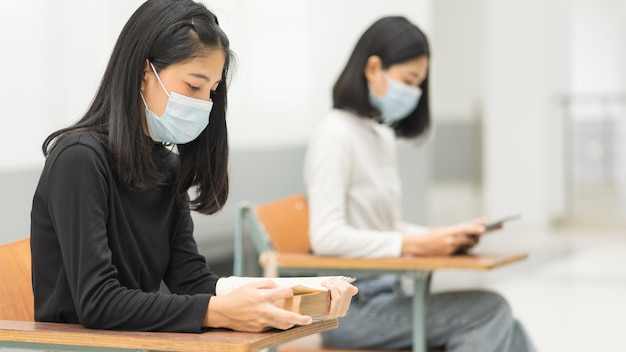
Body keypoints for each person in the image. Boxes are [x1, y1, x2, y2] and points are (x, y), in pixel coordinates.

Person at [30, 0, 356, 333]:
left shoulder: (166, 167)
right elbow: (99, 302)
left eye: (211, 92)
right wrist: (219, 312)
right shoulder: (79, 159)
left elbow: (190, 279)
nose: (203, 105)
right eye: (193, 86)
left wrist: (293, 292)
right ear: (144, 73)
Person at [303, 16, 536, 351]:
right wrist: (414, 244)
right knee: (490, 311)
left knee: (510, 328)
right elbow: (325, 236)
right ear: (373, 68)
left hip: (392, 294)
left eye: (419, 83)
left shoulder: (379, 136)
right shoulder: (334, 134)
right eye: (409, 80)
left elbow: (387, 227)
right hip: (354, 307)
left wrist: (441, 237)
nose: (413, 92)